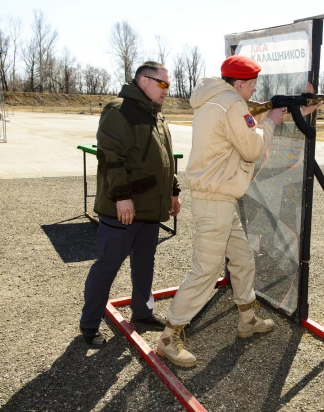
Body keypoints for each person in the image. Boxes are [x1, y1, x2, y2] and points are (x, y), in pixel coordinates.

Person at [156, 55, 320, 367]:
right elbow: (252, 147)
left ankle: (247, 318)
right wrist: (271, 120)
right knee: (204, 271)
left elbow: (240, 135)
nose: (253, 91)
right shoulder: (231, 103)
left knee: (242, 258)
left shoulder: (215, 99)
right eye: (252, 86)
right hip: (216, 199)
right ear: (240, 84)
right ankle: (168, 337)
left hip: (219, 198)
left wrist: (289, 112)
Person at [79, 61, 180, 348]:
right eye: (162, 84)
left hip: (148, 208)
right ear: (143, 81)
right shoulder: (119, 109)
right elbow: (111, 156)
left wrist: (173, 190)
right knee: (108, 265)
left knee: (144, 263)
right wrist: (122, 196)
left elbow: (166, 157)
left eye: (167, 84)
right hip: (123, 208)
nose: (166, 90)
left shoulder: (156, 114)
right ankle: (89, 324)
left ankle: (143, 312)